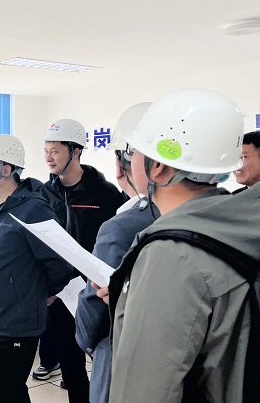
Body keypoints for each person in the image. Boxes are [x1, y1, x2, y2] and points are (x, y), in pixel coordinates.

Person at [108, 88, 260, 402]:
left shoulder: (171, 256)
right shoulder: (258, 221)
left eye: (135, 152)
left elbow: (145, 391)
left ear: (158, 167)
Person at [0, 134, 72, 403]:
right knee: (7, 391)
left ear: (6, 169)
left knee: (4, 391)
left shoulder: (33, 210)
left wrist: (41, 293)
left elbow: (60, 262)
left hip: (17, 322)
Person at [34, 118, 123, 403]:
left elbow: (119, 244)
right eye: (46, 151)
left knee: (105, 364)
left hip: (96, 294)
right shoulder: (44, 194)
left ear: (75, 152)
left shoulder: (106, 194)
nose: (48, 157)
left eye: (55, 151)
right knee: (71, 367)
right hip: (60, 295)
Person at [74, 103, 158, 403]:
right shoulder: (237, 216)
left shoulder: (123, 226)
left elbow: (93, 310)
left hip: (121, 357)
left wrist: (86, 341)